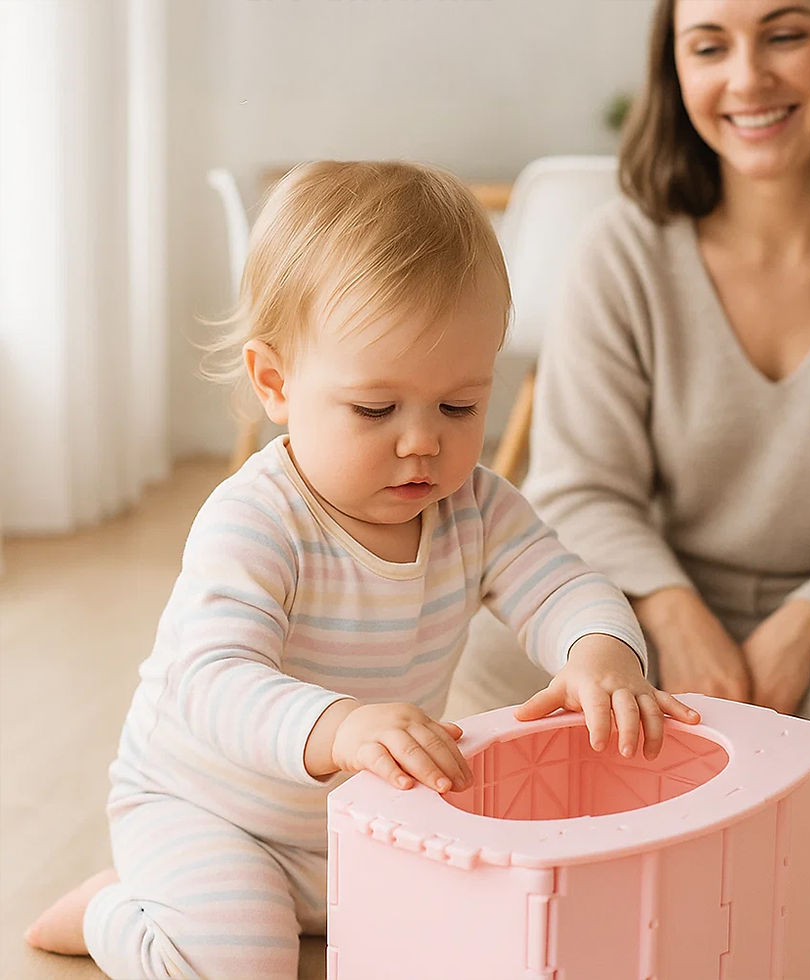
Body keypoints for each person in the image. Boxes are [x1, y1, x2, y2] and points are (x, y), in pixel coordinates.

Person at [25, 160, 700, 977]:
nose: (424, 442)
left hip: (358, 809)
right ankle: (111, 911)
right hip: (206, 808)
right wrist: (339, 725)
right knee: (242, 960)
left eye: (460, 407)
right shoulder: (258, 517)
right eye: (376, 410)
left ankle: (294, 903)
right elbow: (210, 679)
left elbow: (561, 583)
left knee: (496, 925)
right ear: (275, 381)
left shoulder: (475, 507)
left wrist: (600, 653)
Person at [456, 0, 810, 845]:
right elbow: (582, 488)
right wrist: (670, 611)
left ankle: (678, 762)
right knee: (479, 646)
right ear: (677, 68)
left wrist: (805, 628)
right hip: (647, 610)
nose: (747, 78)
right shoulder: (620, 249)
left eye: (784, 34)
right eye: (710, 46)